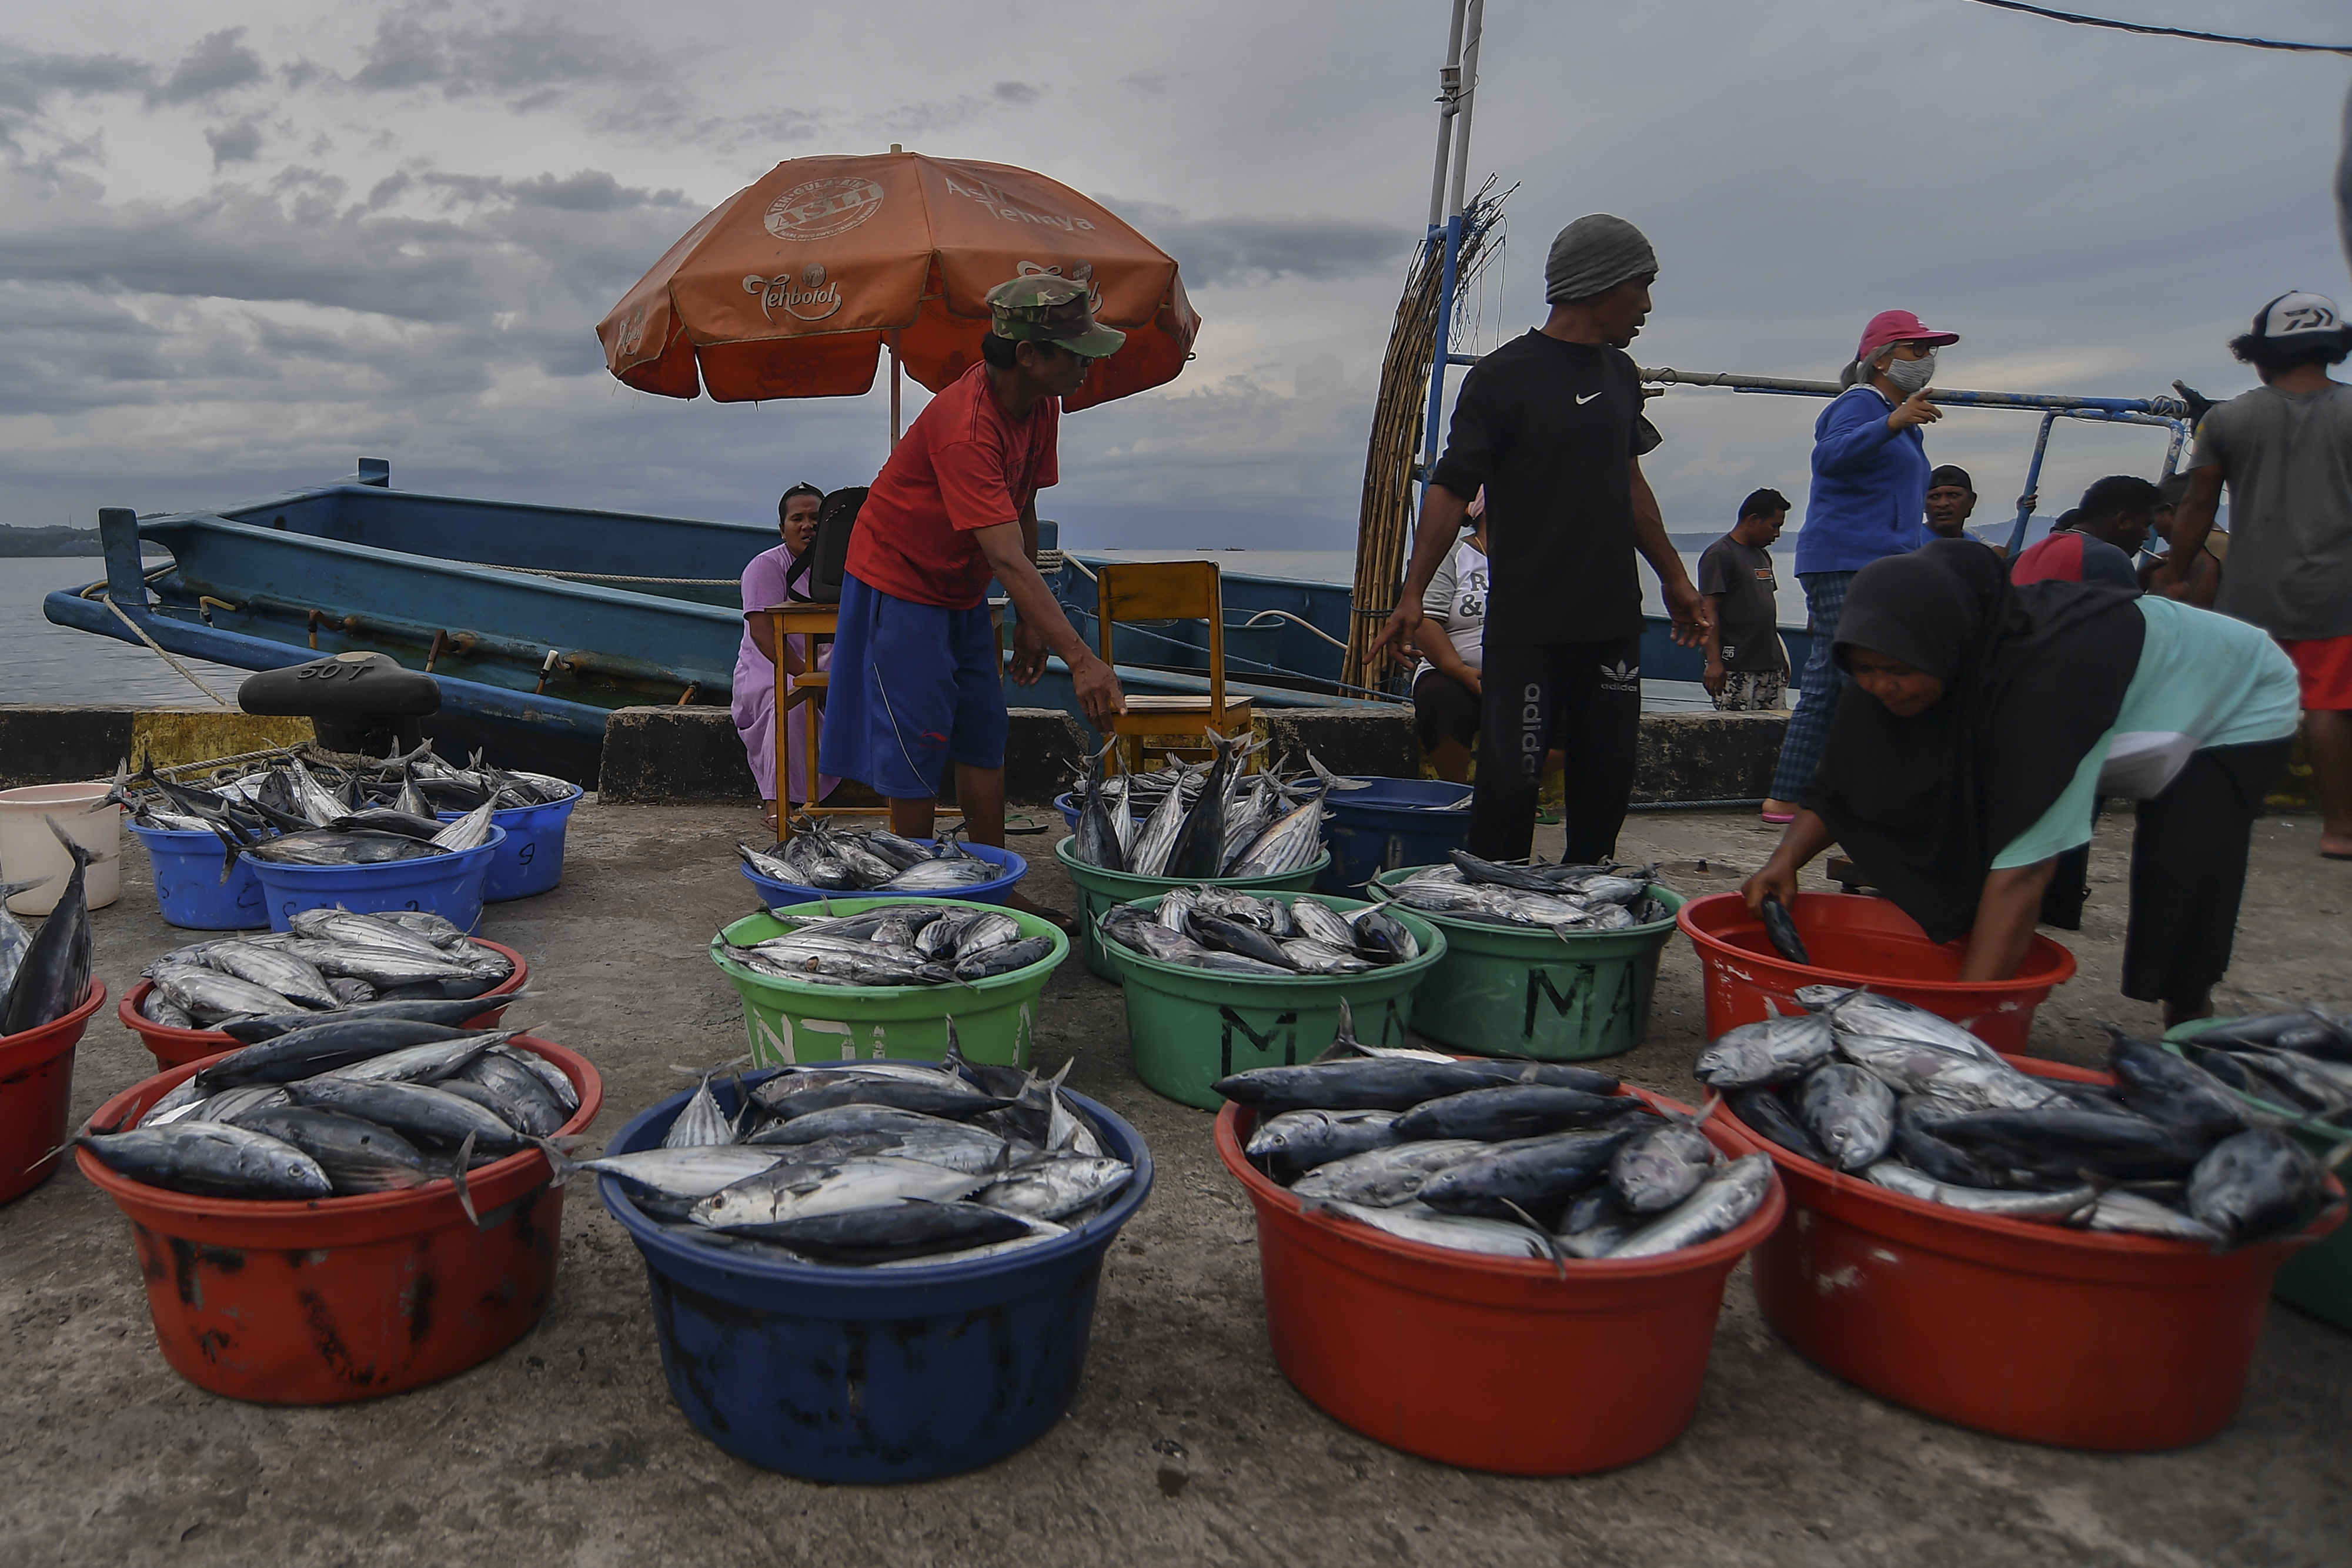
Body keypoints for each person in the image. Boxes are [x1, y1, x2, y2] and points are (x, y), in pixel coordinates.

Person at [1743, 541, 2298, 1026]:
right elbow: (1848, 778)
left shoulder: (2041, 696)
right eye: (1864, 668)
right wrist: (1784, 860)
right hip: (2118, 696)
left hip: (2234, 694)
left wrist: (1958, 1030)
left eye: (1895, 669)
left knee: (2183, 864)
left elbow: (2024, 869)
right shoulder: (1900, 649)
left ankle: (2188, 1017)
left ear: (1949, 645)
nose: (1881, 685)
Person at [1372, 213, 1710, 865]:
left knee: (1605, 779)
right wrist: (1412, 594)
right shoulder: (1502, 378)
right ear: (1598, 283)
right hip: (1528, 625)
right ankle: (1497, 903)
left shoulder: (1620, 375)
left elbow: (1631, 487)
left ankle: (1588, 897)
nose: (1646, 305)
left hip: (1610, 617)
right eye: (1639, 286)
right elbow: (1449, 487)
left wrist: (1674, 577)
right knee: (1509, 784)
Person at [817, 275, 1127, 917]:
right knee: (917, 745)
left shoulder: (1042, 404)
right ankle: (919, 900)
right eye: (1075, 352)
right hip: (898, 584)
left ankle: (993, 886)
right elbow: (1005, 557)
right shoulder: (967, 427)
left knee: (984, 732)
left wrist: (1032, 626)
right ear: (1029, 355)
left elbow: (1027, 510)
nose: (1087, 366)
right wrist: (1086, 659)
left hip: (961, 589)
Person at [2161, 290, 2352, 860]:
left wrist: (2174, 573)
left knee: (2236, 706)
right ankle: (2340, 830)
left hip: (2251, 589)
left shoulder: (2228, 418)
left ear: (2261, 353)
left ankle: (2221, 814)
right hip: (2337, 590)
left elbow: (2196, 503)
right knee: (2327, 707)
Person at [1760, 309, 1960, 825]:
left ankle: (1793, 796)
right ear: (1881, 357)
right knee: (1865, 675)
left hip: (1870, 560)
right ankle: (1870, 796)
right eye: (1916, 350)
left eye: (1930, 351)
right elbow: (1829, 457)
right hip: (1849, 560)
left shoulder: (1897, 416)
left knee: (1831, 673)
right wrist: (1892, 421)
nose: (1927, 360)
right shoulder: (1859, 404)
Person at [734, 482, 838, 828]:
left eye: (816, 517)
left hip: (827, 664)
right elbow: (764, 635)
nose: (808, 525)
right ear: (783, 529)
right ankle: (778, 803)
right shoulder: (765, 567)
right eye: (798, 519)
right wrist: (811, 679)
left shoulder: (843, 568)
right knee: (789, 704)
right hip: (770, 668)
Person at [1408, 487, 1491, 782]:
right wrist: (1460, 670)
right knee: (1440, 698)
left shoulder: (1537, 560)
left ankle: (1503, 784)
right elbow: (1427, 620)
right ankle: (1456, 790)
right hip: (1455, 673)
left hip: (1520, 675)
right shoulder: (1454, 556)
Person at [1699, 488, 1791, 710]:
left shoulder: (1762, 555)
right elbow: (1708, 611)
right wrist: (1714, 662)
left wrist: (1781, 658)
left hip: (1770, 667)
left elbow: (1765, 610)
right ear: (1753, 520)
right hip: (1736, 667)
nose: (1777, 534)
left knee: (1771, 738)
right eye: (1774, 526)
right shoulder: (1721, 555)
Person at [2011, 474, 2156, 589]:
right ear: (2123, 521)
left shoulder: (2026, 555)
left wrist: (2141, 579)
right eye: (2145, 525)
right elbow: (2128, 621)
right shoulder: (2106, 557)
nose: (2147, 535)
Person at [2139, 472, 2223, 609]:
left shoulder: (2195, 556)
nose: (2152, 532)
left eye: (2153, 519)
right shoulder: (2227, 544)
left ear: (2170, 512)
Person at [1924, 464, 2000, 553]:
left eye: (1953, 495)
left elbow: (2004, 561)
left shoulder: (1974, 543)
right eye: (1934, 497)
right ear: (1922, 504)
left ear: (1972, 501)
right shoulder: (1911, 543)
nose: (1943, 504)